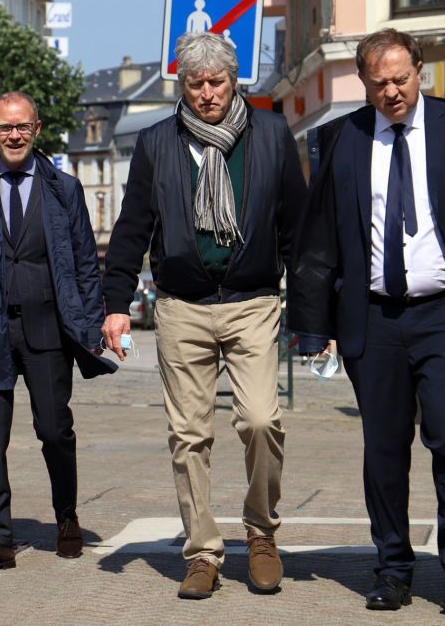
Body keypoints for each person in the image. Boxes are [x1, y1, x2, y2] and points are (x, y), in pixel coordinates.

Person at [288, 28, 445, 614]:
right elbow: (317, 242)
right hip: (374, 320)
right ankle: (393, 567)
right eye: (379, 83)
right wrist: (314, 328)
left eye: (401, 78)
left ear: (419, 70)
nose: (393, 91)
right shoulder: (339, 142)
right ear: (363, 83)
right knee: (384, 449)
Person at [100, 32, 307, 599]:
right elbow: (132, 227)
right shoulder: (157, 142)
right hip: (182, 305)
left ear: (233, 80)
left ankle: (261, 535)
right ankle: (203, 553)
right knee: (189, 435)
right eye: (196, 84)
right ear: (182, 86)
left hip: (253, 301)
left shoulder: (269, 135)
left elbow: (297, 228)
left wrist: (313, 313)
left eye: (216, 82)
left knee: (261, 420)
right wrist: (116, 303)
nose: (207, 93)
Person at [0, 91, 116, 575]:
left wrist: (89, 325)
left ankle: (66, 518)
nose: (14, 135)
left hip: (48, 330)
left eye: (22, 127)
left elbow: (85, 263)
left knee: (54, 430)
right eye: (4, 128)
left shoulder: (64, 189)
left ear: (37, 129)